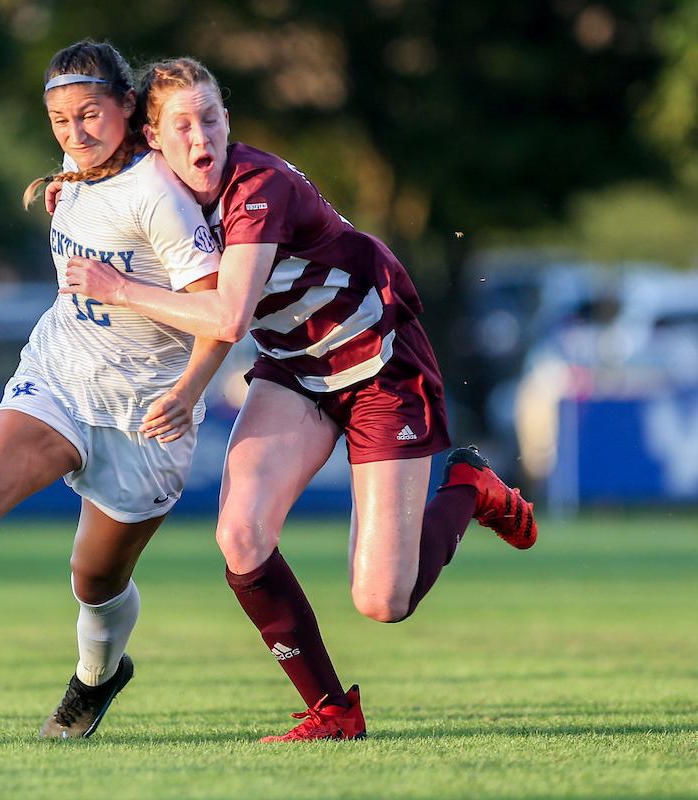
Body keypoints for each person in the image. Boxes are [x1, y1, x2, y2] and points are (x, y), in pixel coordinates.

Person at [59, 57, 537, 742]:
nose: (202, 137)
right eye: (183, 125)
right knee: (240, 536)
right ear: (154, 138)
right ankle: (334, 712)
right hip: (295, 369)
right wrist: (64, 188)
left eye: (213, 118)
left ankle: (468, 485)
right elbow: (90, 159)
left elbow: (226, 317)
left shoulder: (257, 186)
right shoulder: (149, 180)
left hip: (379, 369)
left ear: (229, 121)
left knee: (382, 601)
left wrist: (120, 289)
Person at [0, 42, 229, 740]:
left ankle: (97, 678)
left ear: (129, 108)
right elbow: (85, 183)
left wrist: (191, 392)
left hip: (145, 413)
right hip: (61, 375)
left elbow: (219, 312)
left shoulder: (161, 194)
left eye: (90, 115)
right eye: (59, 120)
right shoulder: (79, 166)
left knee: (94, 583)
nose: (75, 133)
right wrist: (62, 179)